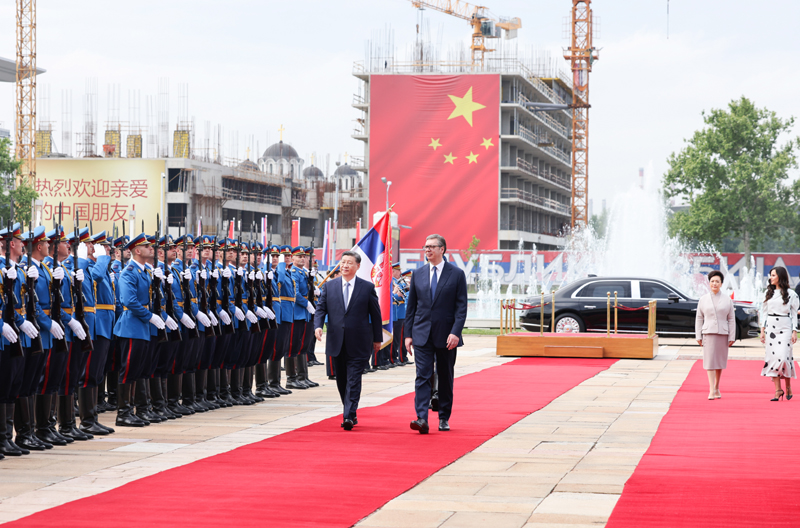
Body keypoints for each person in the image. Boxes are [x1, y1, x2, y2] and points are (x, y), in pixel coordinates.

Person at [405, 234, 468, 434]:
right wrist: (408, 334)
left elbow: (461, 307)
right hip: (422, 334)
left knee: (445, 376)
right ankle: (421, 418)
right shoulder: (418, 274)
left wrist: (456, 333)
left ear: (442, 249)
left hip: (447, 336)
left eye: (432, 247)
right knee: (422, 375)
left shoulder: (456, 274)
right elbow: (411, 307)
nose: (427, 250)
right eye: (425, 247)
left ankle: (443, 417)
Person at [314, 251, 382, 430]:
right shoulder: (329, 286)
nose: (345, 265)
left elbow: (375, 315)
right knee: (342, 379)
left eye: (349, 263)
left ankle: (348, 415)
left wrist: (377, 339)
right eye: (343, 262)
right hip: (336, 341)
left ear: (357, 266)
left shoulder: (367, 287)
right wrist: (318, 326)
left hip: (359, 341)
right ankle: (350, 409)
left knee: (354, 379)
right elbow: (321, 309)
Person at [760, 266, 799, 401]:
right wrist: (762, 330)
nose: (771, 278)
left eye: (773, 275)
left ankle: (787, 386)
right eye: (770, 275)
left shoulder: (791, 294)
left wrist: (795, 331)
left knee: (784, 357)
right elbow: (764, 313)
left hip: (785, 327)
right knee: (773, 358)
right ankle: (778, 390)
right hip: (771, 328)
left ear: (780, 277)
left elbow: (794, 315)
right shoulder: (768, 293)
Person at [695, 270, 735, 400]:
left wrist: (732, 336)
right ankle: (711, 390)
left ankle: (717, 387)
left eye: (717, 281)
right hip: (708, 333)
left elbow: (731, 319)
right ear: (709, 283)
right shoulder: (703, 299)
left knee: (719, 362)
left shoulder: (727, 299)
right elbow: (699, 318)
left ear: (721, 283)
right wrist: (698, 335)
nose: (714, 283)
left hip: (723, 334)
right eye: (712, 281)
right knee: (710, 362)